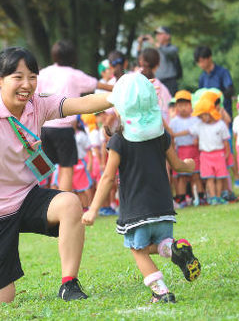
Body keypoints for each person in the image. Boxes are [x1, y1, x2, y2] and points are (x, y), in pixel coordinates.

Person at [0, 46, 114, 303]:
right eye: (18, 77)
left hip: (25, 197)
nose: (27, 84)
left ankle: (69, 283)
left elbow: (83, 103)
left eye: (32, 76)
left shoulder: (39, 104)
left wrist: (124, 94)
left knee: (69, 203)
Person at [82, 73, 201, 304]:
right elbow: (177, 164)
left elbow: (107, 177)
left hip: (137, 209)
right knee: (158, 244)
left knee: (139, 250)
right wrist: (189, 165)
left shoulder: (118, 140)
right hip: (163, 206)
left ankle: (161, 292)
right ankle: (173, 248)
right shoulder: (161, 135)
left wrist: (93, 210)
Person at [37, 40, 113, 191]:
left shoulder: (44, 73)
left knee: (44, 169)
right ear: (73, 57)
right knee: (66, 168)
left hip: (43, 127)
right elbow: (98, 85)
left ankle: (46, 205)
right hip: (64, 128)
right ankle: (62, 205)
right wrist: (118, 87)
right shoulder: (74, 75)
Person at [190, 98, 231, 205]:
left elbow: (226, 141)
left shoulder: (221, 125)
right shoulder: (199, 125)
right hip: (205, 155)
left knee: (220, 178)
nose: (200, 118)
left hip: (219, 154)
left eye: (202, 115)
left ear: (209, 113)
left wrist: (226, 154)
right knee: (210, 178)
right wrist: (174, 134)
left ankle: (218, 197)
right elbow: (189, 131)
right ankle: (212, 197)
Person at [169, 90, 205, 207]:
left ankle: (201, 196)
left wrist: (198, 141)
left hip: (194, 150)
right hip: (181, 151)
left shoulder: (196, 120)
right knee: (182, 177)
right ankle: (181, 198)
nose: (183, 108)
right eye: (180, 105)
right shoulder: (173, 122)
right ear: (176, 107)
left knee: (196, 175)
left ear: (190, 106)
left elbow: (201, 134)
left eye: (185, 105)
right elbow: (171, 139)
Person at [138, 26, 181, 95]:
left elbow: (169, 53)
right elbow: (141, 60)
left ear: (168, 36)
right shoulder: (156, 49)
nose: (157, 36)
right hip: (157, 81)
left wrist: (154, 43)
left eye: (160, 34)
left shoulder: (173, 48)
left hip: (170, 82)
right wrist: (140, 44)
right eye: (156, 34)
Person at [194, 46, 234, 118]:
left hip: (224, 113)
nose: (201, 64)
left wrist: (216, 98)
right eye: (198, 62)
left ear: (209, 58)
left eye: (202, 61)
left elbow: (230, 90)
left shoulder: (223, 72)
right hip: (208, 116)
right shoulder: (202, 77)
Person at [137, 48, 172, 124]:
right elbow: (166, 115)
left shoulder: (130, 79)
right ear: (158, 64)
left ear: (141, 61)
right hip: (156, 131)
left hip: (132, 129)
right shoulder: (163, 89)